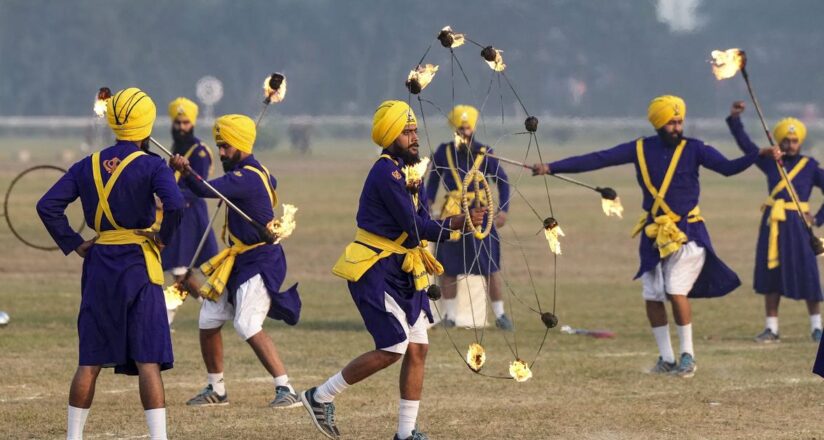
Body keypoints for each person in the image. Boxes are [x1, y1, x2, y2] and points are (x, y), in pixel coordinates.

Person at [531, 95, 758, 377]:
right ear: (659, 123)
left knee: (675, 290)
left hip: (687, 233)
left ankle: (688, 356)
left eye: (679, 121)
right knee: (652, 295)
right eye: (671, 122)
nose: (677, 127)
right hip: (653, 234)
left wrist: (756, 155)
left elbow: (728, 168)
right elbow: (598, 159)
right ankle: (666, 358)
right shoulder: (639, 148)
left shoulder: (695, 148)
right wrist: (552, 167)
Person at [300, 100, 485, 439]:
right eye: (406, 132)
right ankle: (319, 395)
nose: (414, 137)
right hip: (375, 268)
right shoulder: (385, 172)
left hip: (403, 270)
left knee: (418, 347)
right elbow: (416, 228)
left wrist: (456, 222)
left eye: (415, 130)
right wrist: (456, 224)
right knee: (394, 347)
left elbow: (426, 220)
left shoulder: (413, 171)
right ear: (388, 136)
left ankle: (404, 433)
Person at [37, 87, 184, 440]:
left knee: (89, 360)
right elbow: (175, 206)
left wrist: (73, 242)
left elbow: (47, 206)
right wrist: (163, 238)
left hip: (100, 264)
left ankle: (74, 437)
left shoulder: (85, 164)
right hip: (138, 265)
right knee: (148, 359)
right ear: (146, 125)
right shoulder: (152, 164)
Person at [169, 114, 302, 409]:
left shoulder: (246, 178)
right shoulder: (255, 172)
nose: (222, 152)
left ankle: (286, 389)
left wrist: (186, 171)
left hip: (260, 260)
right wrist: (231, 192)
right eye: (220, 146)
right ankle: (216, 390)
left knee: (246, 323)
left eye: (227, 147)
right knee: (208, 319)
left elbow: (203, 190)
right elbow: (269, 181)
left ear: (242, 145)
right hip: (238, 259)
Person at [726, 101, 824, 343]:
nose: (790, 145)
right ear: (779, 141)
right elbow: (746, 146)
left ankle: (817, 327)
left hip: (800, 227)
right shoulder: (771, 161)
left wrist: (819, 218)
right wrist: (736, 120)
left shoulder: (810, 166)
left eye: (794, 141)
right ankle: (772, 328)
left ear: (800, 141)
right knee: (771, 274)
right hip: (774, 226)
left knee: (808, 273)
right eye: (786, 141)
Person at [425, 105, 513, 330]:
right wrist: (426, 207)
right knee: (448, 266)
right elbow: (432, 183)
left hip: (481, 214)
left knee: (489, 266)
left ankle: (501, 315)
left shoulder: (485, 152)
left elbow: (502, 180)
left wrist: (503, 210)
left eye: (468, 129)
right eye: (460, 129)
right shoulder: (443, 152)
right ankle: (451, 316)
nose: (464, 133)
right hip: (453, 213)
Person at [161, 97, 218, 324]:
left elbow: (199, 185)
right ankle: (206, 307)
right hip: (175, 214)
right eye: (178, 123)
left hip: (190, 215)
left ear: (192, 123)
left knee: (180, 270)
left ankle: (206, 307)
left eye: (186, 123)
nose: (182, 127)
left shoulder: (200, 152)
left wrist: (168, 198)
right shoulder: (175, 148)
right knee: (181, 272)